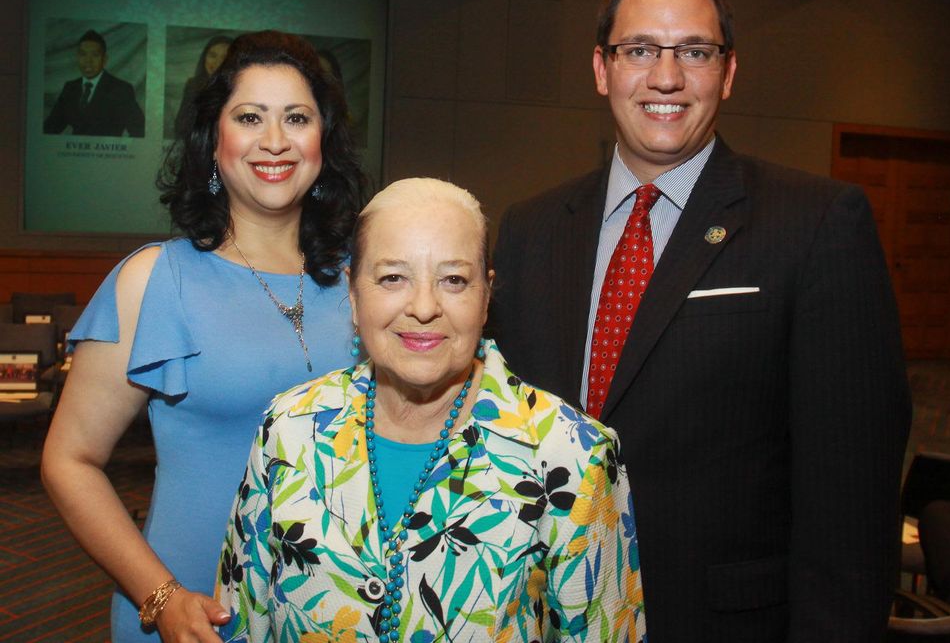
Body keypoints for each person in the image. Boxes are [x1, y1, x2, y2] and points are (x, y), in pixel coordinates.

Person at [489, 0, 911, 642]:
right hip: (542, 615)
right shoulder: (529, 229)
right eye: (639, 50)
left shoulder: (816, 224)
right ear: (601, 68)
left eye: (694, 51)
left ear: (728, 72)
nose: (666, 76)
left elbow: (851, 497)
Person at [41, 30, 367, 643]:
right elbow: (69, 461)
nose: (275, 140)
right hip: (190, 609)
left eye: (297, 118)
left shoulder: (367, 280)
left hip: (338, 612)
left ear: (323, 141)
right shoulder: (154, 280)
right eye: (250, 117)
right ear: (214, 141)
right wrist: (160, 597)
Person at [216, 178, 645, 642]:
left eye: (453, 280)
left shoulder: (573, 456)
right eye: (393, 278)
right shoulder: (289, 428)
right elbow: (242, 623)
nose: (423, 307)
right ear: (354, 295)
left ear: (485, 297)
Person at [43, 28, 146, 137]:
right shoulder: (70, 88)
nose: (88, 61)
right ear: (77, 58)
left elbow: (139, 131)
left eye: (95, 55)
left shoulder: (121, 90)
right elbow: (50, 128)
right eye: (83, 54)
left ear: (104, 59)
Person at [174, 35, 234, 139]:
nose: (218, 62)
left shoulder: (241, 88)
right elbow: (180, 127)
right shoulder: (193, 86)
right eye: (213, 55)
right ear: (204, 58)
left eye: (225, 57)